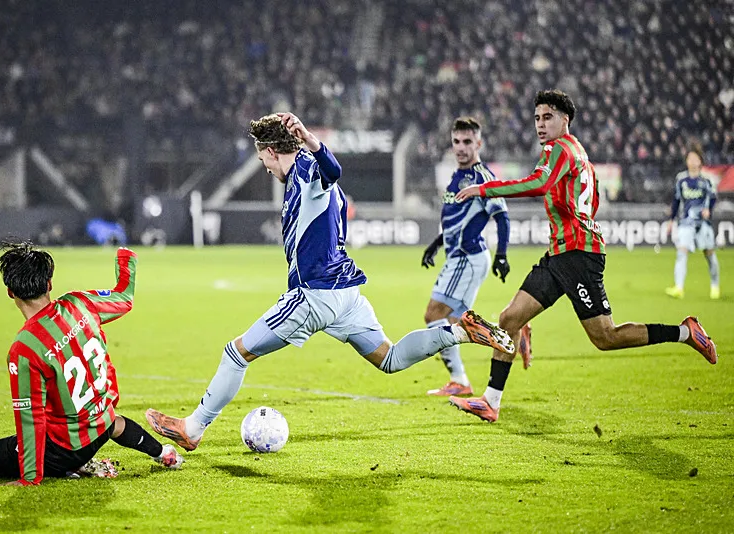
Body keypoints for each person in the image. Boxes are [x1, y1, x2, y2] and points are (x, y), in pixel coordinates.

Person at [144, 112, 515, 451]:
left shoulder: (307, 171)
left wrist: (308, 138)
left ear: (272, 152)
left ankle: (192, 429)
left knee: (235, 353)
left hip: (314, 296)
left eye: (263, 161)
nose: (265, 169)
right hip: (346, 295)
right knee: (389, 357)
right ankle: (461, 332)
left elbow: (333, 170)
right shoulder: (301, 177)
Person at [450, 90, 718, 423]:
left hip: (578, 256)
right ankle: (490, 402)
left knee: (606, 337)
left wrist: (484, 188)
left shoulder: (560, 148)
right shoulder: (582, 158)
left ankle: (686, 332)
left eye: (548, 117)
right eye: (536, 118)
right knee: (509, 320)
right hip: (562, 253)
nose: (540, 125)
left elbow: (539, 184)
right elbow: (591, 204)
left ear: (566, 119)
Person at [0, 242, 183, 485]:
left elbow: (31, 417)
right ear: (49, 284)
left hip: (67, 448)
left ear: (10, 292)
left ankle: (71, 468)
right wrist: (126, 260)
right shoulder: (79, 304)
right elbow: (123, 299)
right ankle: (163, 453)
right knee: (113, 421)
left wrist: (30, 478)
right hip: (103, 423)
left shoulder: (24, 348)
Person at [420, 117, 532, 398]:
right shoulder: (457, 176)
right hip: (460, 256)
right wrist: (436, 243)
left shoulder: (483, 177)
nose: (460, 147)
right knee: (460, 323)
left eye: (467, 142)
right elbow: (454, 219)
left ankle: (459, 380)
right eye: (456, 141)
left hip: (466, 258)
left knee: (434, 314)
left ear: (479, 143)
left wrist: (502, 255)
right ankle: (514, 333)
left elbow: (502, 217)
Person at [665, 145, 720, 299]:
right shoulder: (681, 179)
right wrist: (671, 220)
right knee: (682, 252)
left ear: (700, 161)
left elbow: (713, 198)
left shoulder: (707, 180)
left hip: (703, 223)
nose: (692, 161)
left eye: (695, 158)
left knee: (709, 253)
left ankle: (715, 286)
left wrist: (709, 210)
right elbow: (676, 200)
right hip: (686, 222)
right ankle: (679, 287)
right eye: (690, 158)